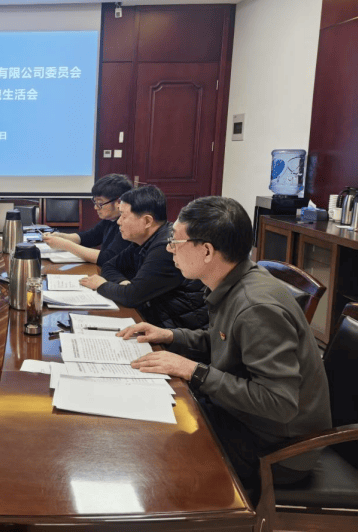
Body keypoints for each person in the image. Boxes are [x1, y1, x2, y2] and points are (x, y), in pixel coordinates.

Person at [120, 196, 331, 501]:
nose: (169, 249)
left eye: (175, 241)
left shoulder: (256, 307)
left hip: (278, 449)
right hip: (244, 419)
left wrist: (193, 371)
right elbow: (223, 340)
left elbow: (279, 403)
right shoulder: (234, 281)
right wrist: (170, 335)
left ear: (207, 251)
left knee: (152, 454)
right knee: (149, 421)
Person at [80, 185, 208, 329]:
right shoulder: (142, 240)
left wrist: (101, 285)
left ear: (147, 221)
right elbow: (110, 266)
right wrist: (124, 284)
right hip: (157, 319)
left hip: (176, 328)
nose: (119, 221)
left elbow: (131, 297)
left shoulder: (165, 247)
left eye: (124, 216)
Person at [42, 173, 133, 265]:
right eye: (95, 202)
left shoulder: (129, 225)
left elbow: (108, 258)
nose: (95, 207)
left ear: (118, 202)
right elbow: (88, 237)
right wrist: (61, 236)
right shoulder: (109, 220)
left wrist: (65, 245)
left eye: (100, 203)